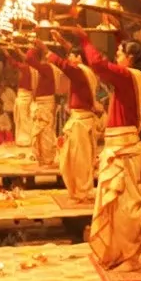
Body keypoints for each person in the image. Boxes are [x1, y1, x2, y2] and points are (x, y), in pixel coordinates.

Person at [61, 25, 141, 271]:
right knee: (114, 206)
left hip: (124, 149)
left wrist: (85, 39)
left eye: (120, 53)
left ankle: (129, 256)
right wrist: (117, 32)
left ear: (130, 59)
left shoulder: (130, 76)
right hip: (119, 146)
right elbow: (113, 61)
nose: (117, 57)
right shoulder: (134, 76)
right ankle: (118, 252)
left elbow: (100, 65)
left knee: (124, 207)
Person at [46, 33, 104, 202]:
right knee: (71, 158)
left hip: (82, 122)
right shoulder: (84, 71)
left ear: (79, 58)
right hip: (79, 120)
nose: (69, 59)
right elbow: (69, 63)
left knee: (80, 159)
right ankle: (79, 190)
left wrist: (47, 52)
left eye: (72, 56)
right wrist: (63, 42)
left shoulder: (81, 72)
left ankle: (83, 191)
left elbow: (66, 66)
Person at [26, 44, 60, 166]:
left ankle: (47, 158)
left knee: (45, 132)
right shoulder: (46, 68)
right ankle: (43, 158)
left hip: (45, 103)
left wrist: (32, 47)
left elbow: (29, 59)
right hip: (42, 102)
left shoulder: (47, 68)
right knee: (41, 133)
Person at [7, 48, 35, 147]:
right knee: (23, 118)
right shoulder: (33, 69)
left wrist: (6, 52)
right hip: (26, 96)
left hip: (25, 96)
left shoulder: (27, 68)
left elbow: (14, 63)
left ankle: (27, 139)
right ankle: (26, 139)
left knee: (24, 119)